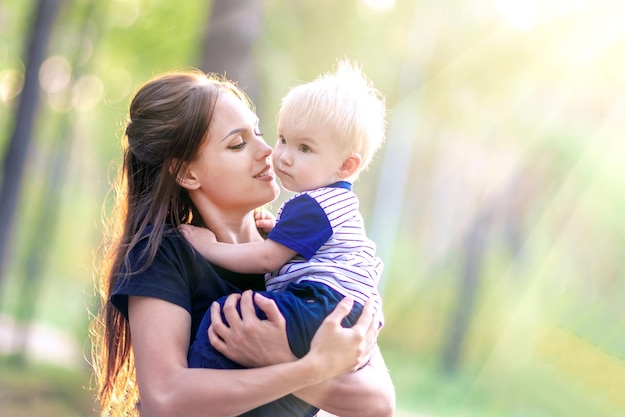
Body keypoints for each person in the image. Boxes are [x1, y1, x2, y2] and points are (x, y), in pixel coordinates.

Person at [89, 68, 395, 417]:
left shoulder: (302, 255)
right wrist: (306, 369)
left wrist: (275, 355)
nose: (267, 150)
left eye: (261, 133)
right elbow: (166, 398)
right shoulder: (166, 255)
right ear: (187, 173)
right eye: (238, 143)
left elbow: (379, 403)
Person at [182, 62, 387, 406]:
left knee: (225, 318)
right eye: (282, 139)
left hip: (321, 303)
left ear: (346, 166)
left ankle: (192, 403)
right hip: (348, 308)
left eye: (304, 148)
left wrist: (210, 247)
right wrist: (279, 230)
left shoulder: (310, 206)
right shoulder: (337, 204)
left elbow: (267, 257)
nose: (283, 157)